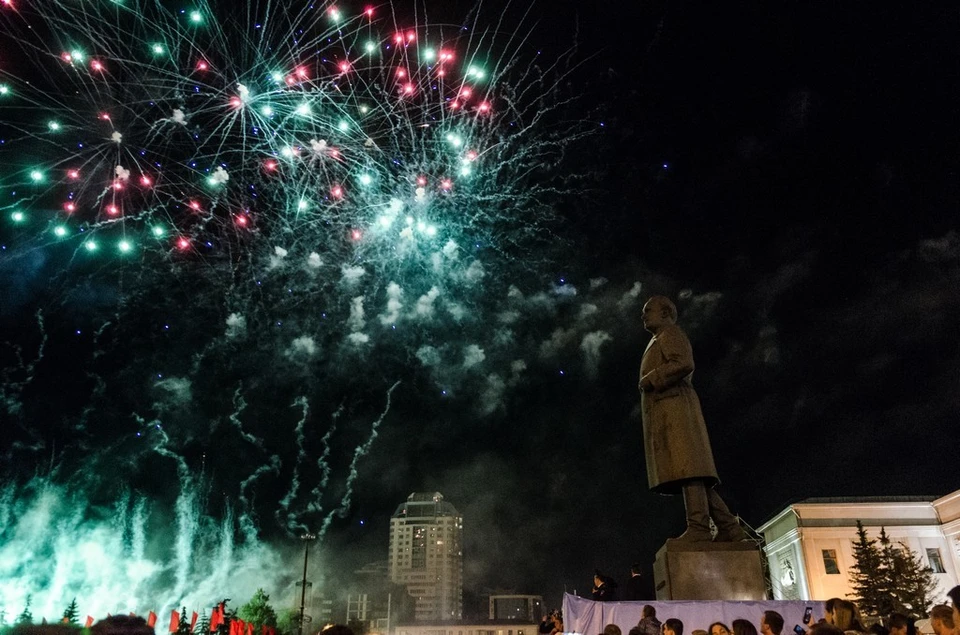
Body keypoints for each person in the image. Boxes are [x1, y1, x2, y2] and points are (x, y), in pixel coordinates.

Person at [638, 295, 748, 542]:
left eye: (648, 310)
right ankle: (729, 526)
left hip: (678, 407)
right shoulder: (659, 339)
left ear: (665, 313)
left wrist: (652, 379)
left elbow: (683, 363)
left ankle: (698, 527)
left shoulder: (670, 334)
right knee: (690, 471)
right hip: (670, 409)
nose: (643, 315)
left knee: (689, 470)